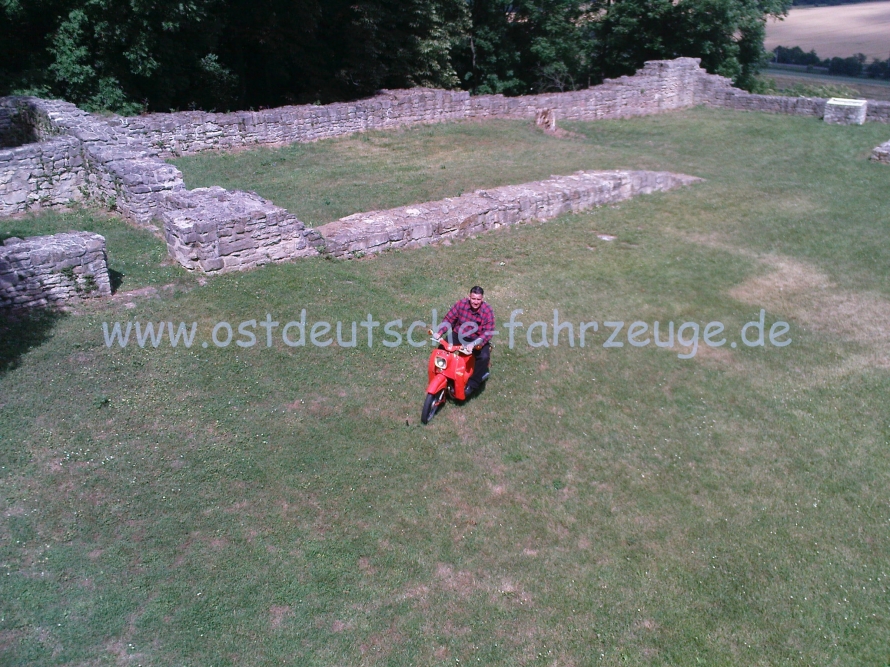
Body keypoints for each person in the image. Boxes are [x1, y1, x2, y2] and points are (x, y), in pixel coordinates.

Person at [434, 286, 495, 398]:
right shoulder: (461, 304)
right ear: (469, 297)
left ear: (482, 299)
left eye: (478, 299)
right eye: (473, 298)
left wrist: (474, 344)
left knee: (484, 357)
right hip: (459, 335)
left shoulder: (487, 310)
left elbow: (488, 332)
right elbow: (449, 319)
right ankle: (441, 374)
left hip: (477, 339)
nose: (475, 302)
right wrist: (440, 332)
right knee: (442, 349)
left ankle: (472, 385)